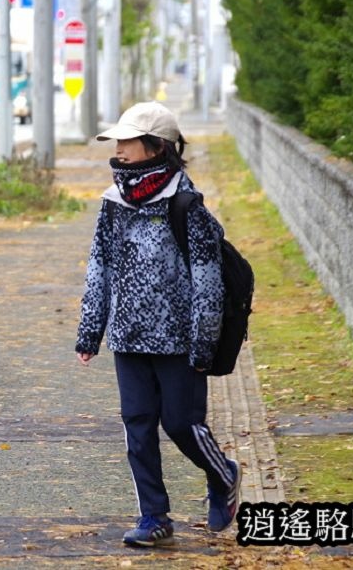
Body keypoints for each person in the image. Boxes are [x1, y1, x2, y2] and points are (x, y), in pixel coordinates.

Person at [74, 102, 241, 547]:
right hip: (128, 338)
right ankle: (154, 518)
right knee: (138, 425)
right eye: (118, 141)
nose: (120, 150)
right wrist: (91, 329)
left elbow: (208, 283)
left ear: (156, 147)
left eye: (128, 141)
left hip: (180, 344)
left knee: (183, 426)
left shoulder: (187, 206)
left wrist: (203, 346)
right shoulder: (113, 204)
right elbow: (100, 268)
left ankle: (223, 475)